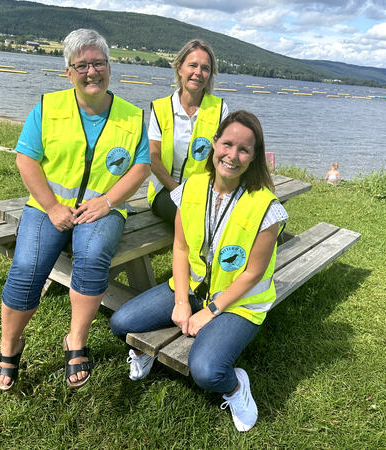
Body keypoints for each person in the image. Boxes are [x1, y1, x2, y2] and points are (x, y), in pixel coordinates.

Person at [0, 29, 151, 391]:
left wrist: (108, 202)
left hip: (103, 209)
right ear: (68, 72)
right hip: (48, 208)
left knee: (92, 258)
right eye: (82, 66)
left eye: (99, 63)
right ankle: (10, 343)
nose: (92, 72)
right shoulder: (48, 107)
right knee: (28, 266)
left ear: (110, 67)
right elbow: (26, 158)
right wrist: (51, 206)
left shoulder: (132, 116)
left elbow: (140, 168)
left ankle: (75, 340)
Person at [110, 111, 288, 432]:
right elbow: (180, 248)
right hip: (192, 287)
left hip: (239, 302)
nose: (233, 155)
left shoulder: (267, 208)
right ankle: (148, 351)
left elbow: (253, 274)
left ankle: (236, 387)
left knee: (207, 371)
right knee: (121, 323)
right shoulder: (191, 187)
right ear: (215, 143)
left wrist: (210, 311)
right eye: (228, 144)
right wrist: (181, 300)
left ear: (254, 157)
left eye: (244, 150)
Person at [147, 39, 229, 226]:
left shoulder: (220, 108)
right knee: (195, 219)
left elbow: (224, 157)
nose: (198, 73)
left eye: (205, 68)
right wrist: (178, 191)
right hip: (166, 190)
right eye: (192, 65)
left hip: (205, 191)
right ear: (179, 68)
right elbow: (153, 158)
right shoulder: (161, 108)